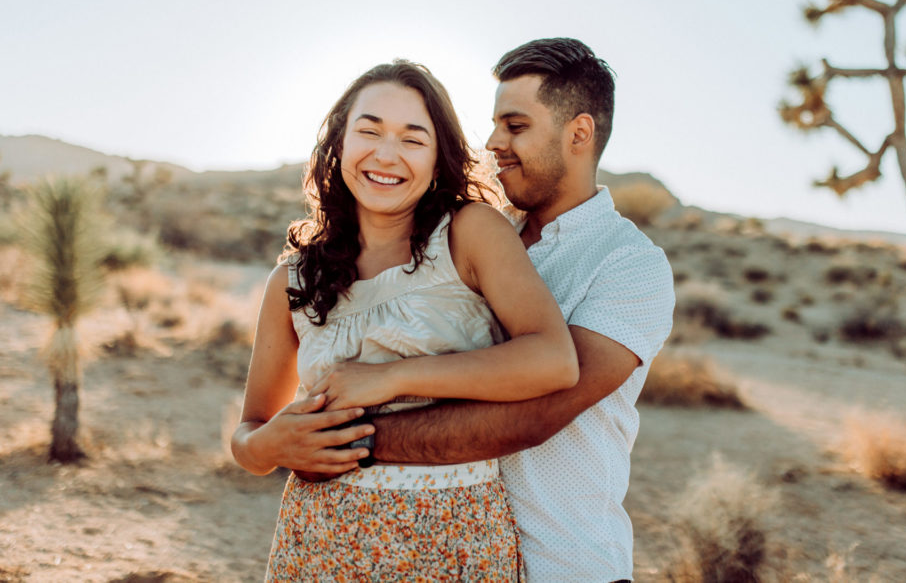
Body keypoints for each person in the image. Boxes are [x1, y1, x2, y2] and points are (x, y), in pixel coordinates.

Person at [313, 38, 676, 581]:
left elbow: (535, 416)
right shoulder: (468, 235)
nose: (493, 142)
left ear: (579, 133)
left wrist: (345, 442)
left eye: (515, 125)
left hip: (561, 565)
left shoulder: (630, 265)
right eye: (494, 124)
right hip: (445, 559)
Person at [230, 60, 579, 581]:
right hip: (320, 541)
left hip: (454, 538)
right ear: (339, 145)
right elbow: (251, 432)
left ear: (439, 159)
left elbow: (554, 360)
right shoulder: (292, 280)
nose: (386, 155)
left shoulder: (469, 233)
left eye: (413, 140)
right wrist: (266, 446)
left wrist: (391, 377)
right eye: (368, 131)